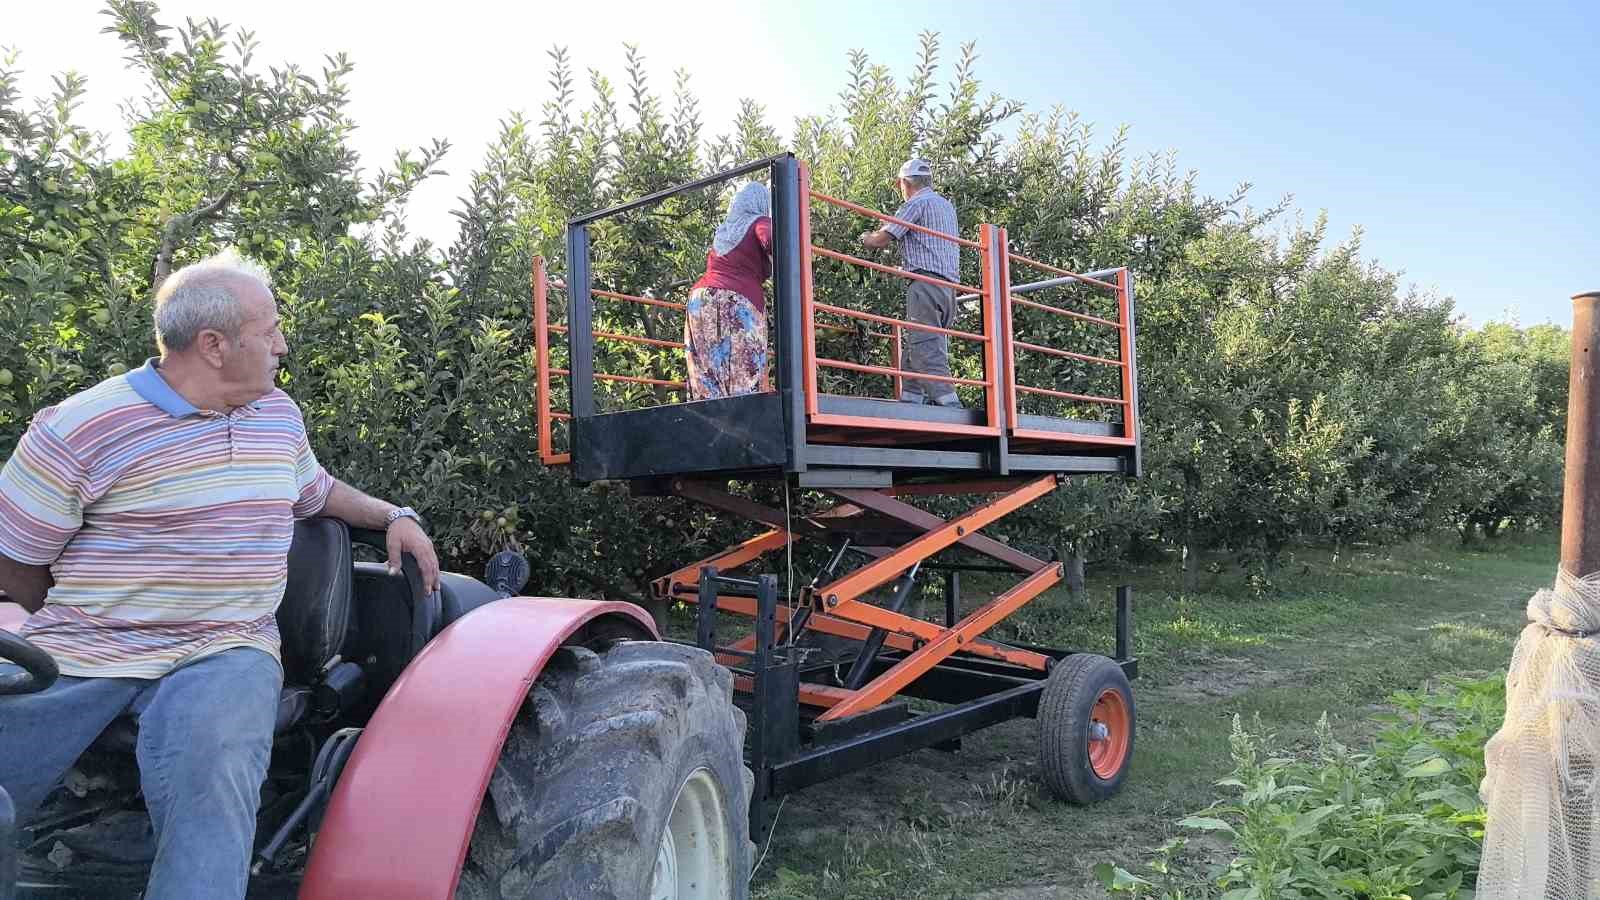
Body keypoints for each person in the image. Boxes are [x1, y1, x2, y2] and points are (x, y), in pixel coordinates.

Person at [0, 249, 440, 900]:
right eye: (269, 332)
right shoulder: (78, 429)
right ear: (213, 345)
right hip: (83, 651)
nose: (282, 346)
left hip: (225, 648)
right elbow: (14, 563)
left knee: (212, 775)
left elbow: (312, 491)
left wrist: (393, 514)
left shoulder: (277, 415)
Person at [859, 158, 963, 408]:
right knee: (917, 344)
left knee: (926, 349)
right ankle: (910, 402)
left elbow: (881, 239)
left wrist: (864, 238)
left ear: (904, 183)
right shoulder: (944, 205)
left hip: (925, 285)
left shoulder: (916, 203)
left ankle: (952, 406)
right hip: (947, 289)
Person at [685, 181, 773, 400]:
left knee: (707, 367)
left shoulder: (725, 229)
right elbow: (773, 239)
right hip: (736, 299)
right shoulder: (759, 221)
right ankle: (746, 415)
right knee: (744, 364)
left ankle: (709, 412)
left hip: (700, 300)